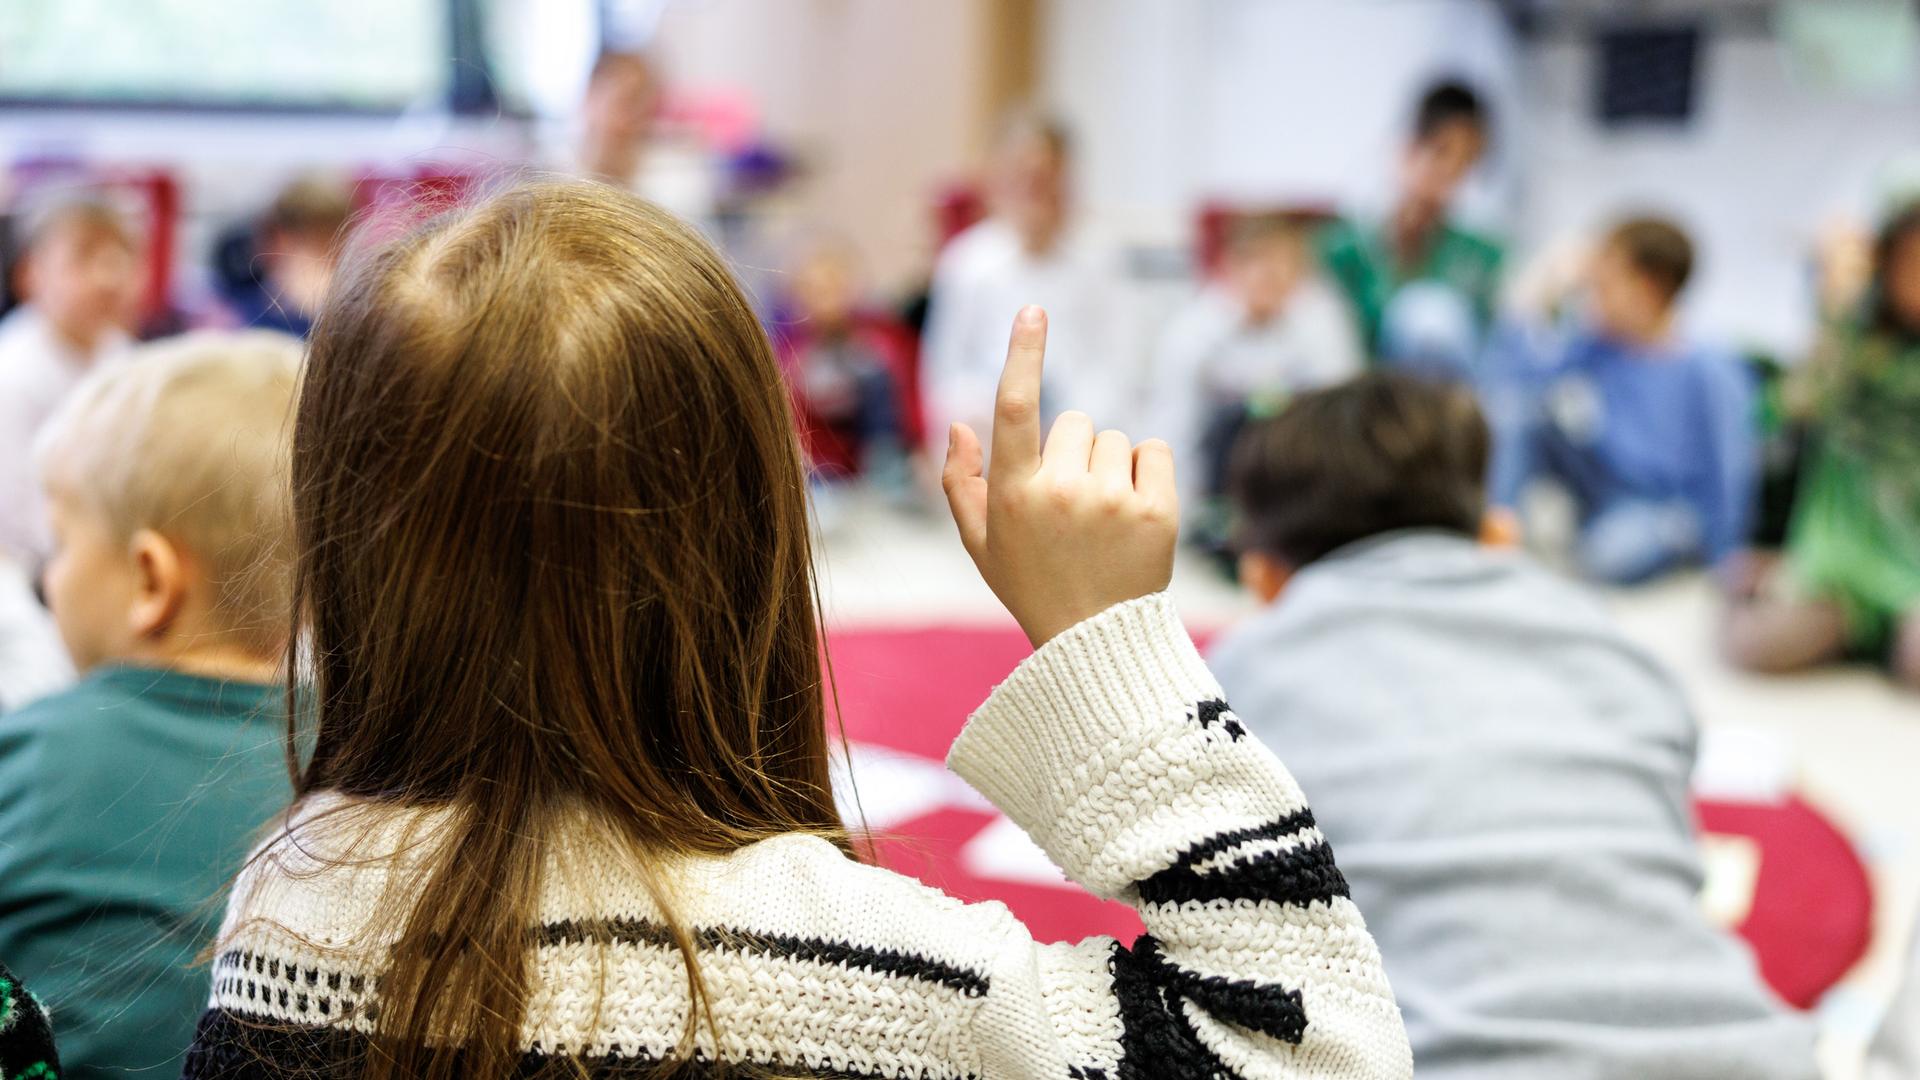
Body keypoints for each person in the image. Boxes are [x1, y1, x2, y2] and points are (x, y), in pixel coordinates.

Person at [180, 181, 1412, 1079]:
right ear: (748, 542)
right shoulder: (879, 978)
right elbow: (1321, 1046)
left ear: (347, 548)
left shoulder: (285, 915)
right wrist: (1109, 641)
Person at [1210, 372, 1816, 1080]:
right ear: (1498, 535)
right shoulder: (1612, 645)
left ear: (1262, 577)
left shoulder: (1238, 677)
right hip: (1750, 1056)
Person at [0, 331, 300, 1079]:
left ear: (151, 581)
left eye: (61, 544)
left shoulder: (23, 759)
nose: (49, 579)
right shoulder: (363, 762)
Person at [1485, 217, 1757, 584]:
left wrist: (1724, 560)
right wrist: (1538, 297)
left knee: (1607, 555)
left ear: (1648, 288)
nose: (1591, 298)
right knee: (1520, 415)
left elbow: (1727, 474)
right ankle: (1492, 540)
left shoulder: (1709, 371)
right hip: (1598, 486)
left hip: (1659, 507)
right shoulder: (1596, 348)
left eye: (1605, 285)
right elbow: (1507, 386)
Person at [1724, 204, 1920, 687]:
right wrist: (1834, 306)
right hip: (1841, 552)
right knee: (1758, 646)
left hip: (1912, 550)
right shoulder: (1851, 337)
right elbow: (1786, 409)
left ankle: (1881, 632)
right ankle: (1774, 585)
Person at [921, 111, 1123, 448]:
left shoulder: (1099, 261)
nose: (1033, 191)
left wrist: (1069, 423)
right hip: (989, 434)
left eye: (1044, 177)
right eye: (1021, 176)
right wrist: (1005, 416)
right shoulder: (968, 263)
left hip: (1076, 436)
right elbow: (945, 375)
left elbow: (1114, 366)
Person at [1152, 212, 1362, 511]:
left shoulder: (1324, 319)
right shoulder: (1193, 331)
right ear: (1230, 266)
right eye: (1255, 259)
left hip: (1301, 473)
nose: (1267, 273)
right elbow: (1176, 427)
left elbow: (1342, 416)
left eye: (1281, 262)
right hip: (1222, 475)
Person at [1319, 80, 1503, 368]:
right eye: (1441, 152)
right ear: (1407, 149)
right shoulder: (1345, 248)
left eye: (1466, 162)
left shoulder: (1482, 256)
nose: (1450, 172)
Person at [0, 196, 141, 562]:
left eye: (121, 256)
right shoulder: (12, 371)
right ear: (30, 275)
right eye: (84, 257)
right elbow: (18, 520)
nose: (109, 276)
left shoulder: (122, 352)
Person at [771, 236, 921, 486]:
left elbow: (912, 402)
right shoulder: (789, 356)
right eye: (815, 290)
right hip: (821, 474)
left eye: (834, 286)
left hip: (888, 465)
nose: (827, 300)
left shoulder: (886, 339)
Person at [574, 49, 717, 229]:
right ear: (589, 97)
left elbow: (694, 237)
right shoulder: (559, 169)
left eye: (638, 103)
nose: (625, 120)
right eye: (619, 101)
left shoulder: (674, 171)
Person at [222, 172, 355, 338]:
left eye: (340, 237)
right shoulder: (235, 306)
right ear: (280, 238)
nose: (333, 255)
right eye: (319, 241)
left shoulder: (352, 301)